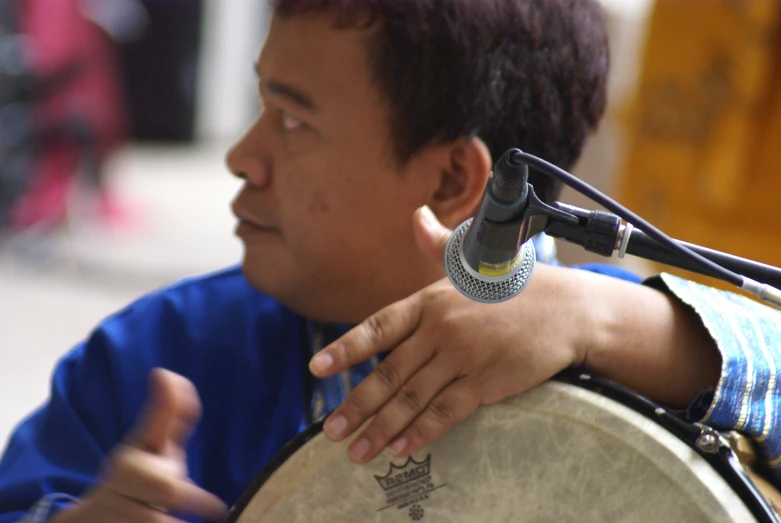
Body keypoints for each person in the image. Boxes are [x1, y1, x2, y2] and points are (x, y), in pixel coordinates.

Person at [1, 0, 780, 521]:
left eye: (292, 120)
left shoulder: (607, 335)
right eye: (258, 106)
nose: (243, 156)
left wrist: (617, 318)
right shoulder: (156, 357)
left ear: (451, 181)